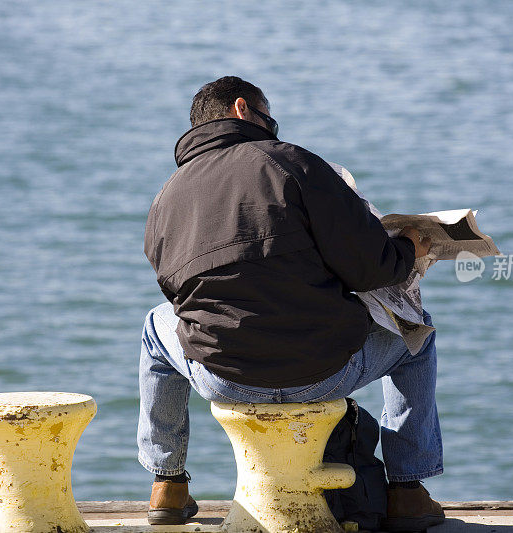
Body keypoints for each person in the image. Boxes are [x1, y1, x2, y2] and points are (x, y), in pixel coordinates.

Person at [139, 76, 445, 531]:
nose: (274, 129)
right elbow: (369, 269)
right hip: (322, 373)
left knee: (154, 328)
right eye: (269, 117)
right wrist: (410, 251)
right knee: (416, 336)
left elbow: (177, 294)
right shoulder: (292, 164)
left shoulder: (167, 196)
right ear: (243, 109)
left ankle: (168, 483)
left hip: (223, 376)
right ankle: (407, 491)